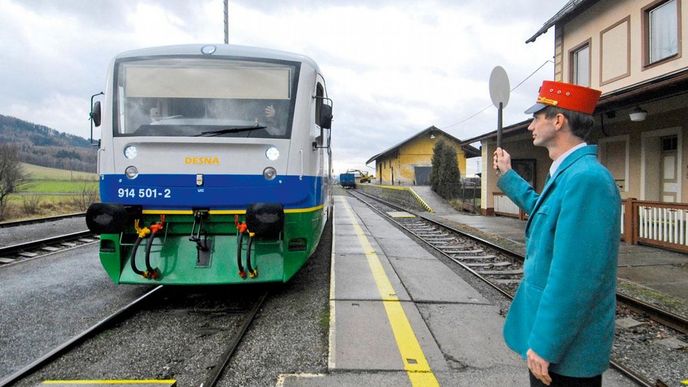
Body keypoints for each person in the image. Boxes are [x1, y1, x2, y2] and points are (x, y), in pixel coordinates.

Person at [492, 80, 620, 386]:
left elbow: (576, 275)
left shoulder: (586, 179)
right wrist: (509, 177)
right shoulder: (569, 174)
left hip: (564, 351)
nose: (530, 126)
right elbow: (544, 212)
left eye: (537, 117)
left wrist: (547, 343)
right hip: (553, 338)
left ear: (558, 120)